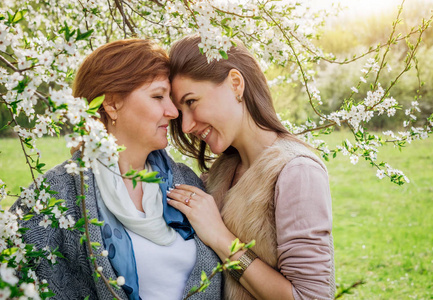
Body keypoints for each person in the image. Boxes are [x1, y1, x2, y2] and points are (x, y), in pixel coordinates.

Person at [11, 39, 221, 300]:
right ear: (111, 104)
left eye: (170, 98)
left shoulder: (185, 181)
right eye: (157, 96)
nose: (173, 112)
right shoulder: (54, 196)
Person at [166, 35, 335, 300]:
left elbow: (309, 297)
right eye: (180, 111)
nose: (186, 126)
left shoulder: (296, 171)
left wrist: (221, 238)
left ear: (235, 84)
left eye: (191, 102)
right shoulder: (219, 173)